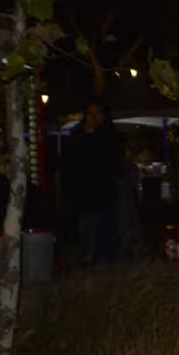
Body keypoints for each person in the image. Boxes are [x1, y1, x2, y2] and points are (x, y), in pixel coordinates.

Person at [60, 98, 122, 264]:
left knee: (102, 221)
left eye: (97, 113)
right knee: (86, 222)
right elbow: (70, 160)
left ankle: (99, 255)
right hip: (83, 189)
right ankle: (89, 253)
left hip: (104, 188)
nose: (94, 117)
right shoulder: (77, 134)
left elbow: (114, 160)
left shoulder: (109, 134)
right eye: (90, 113)